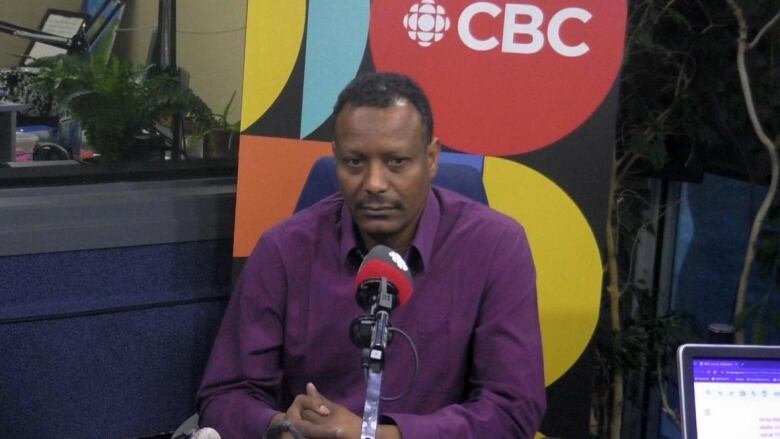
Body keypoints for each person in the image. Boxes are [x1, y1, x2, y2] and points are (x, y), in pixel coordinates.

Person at [196, 72, 545, 438]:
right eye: (355, 163)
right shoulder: (283, 250)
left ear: (430, 158)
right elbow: (224, 396)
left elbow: (513, 409)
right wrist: (282, 427)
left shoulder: (495, 247)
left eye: (396, 162)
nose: (375, 183)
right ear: (336, 158)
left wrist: (375, 436)